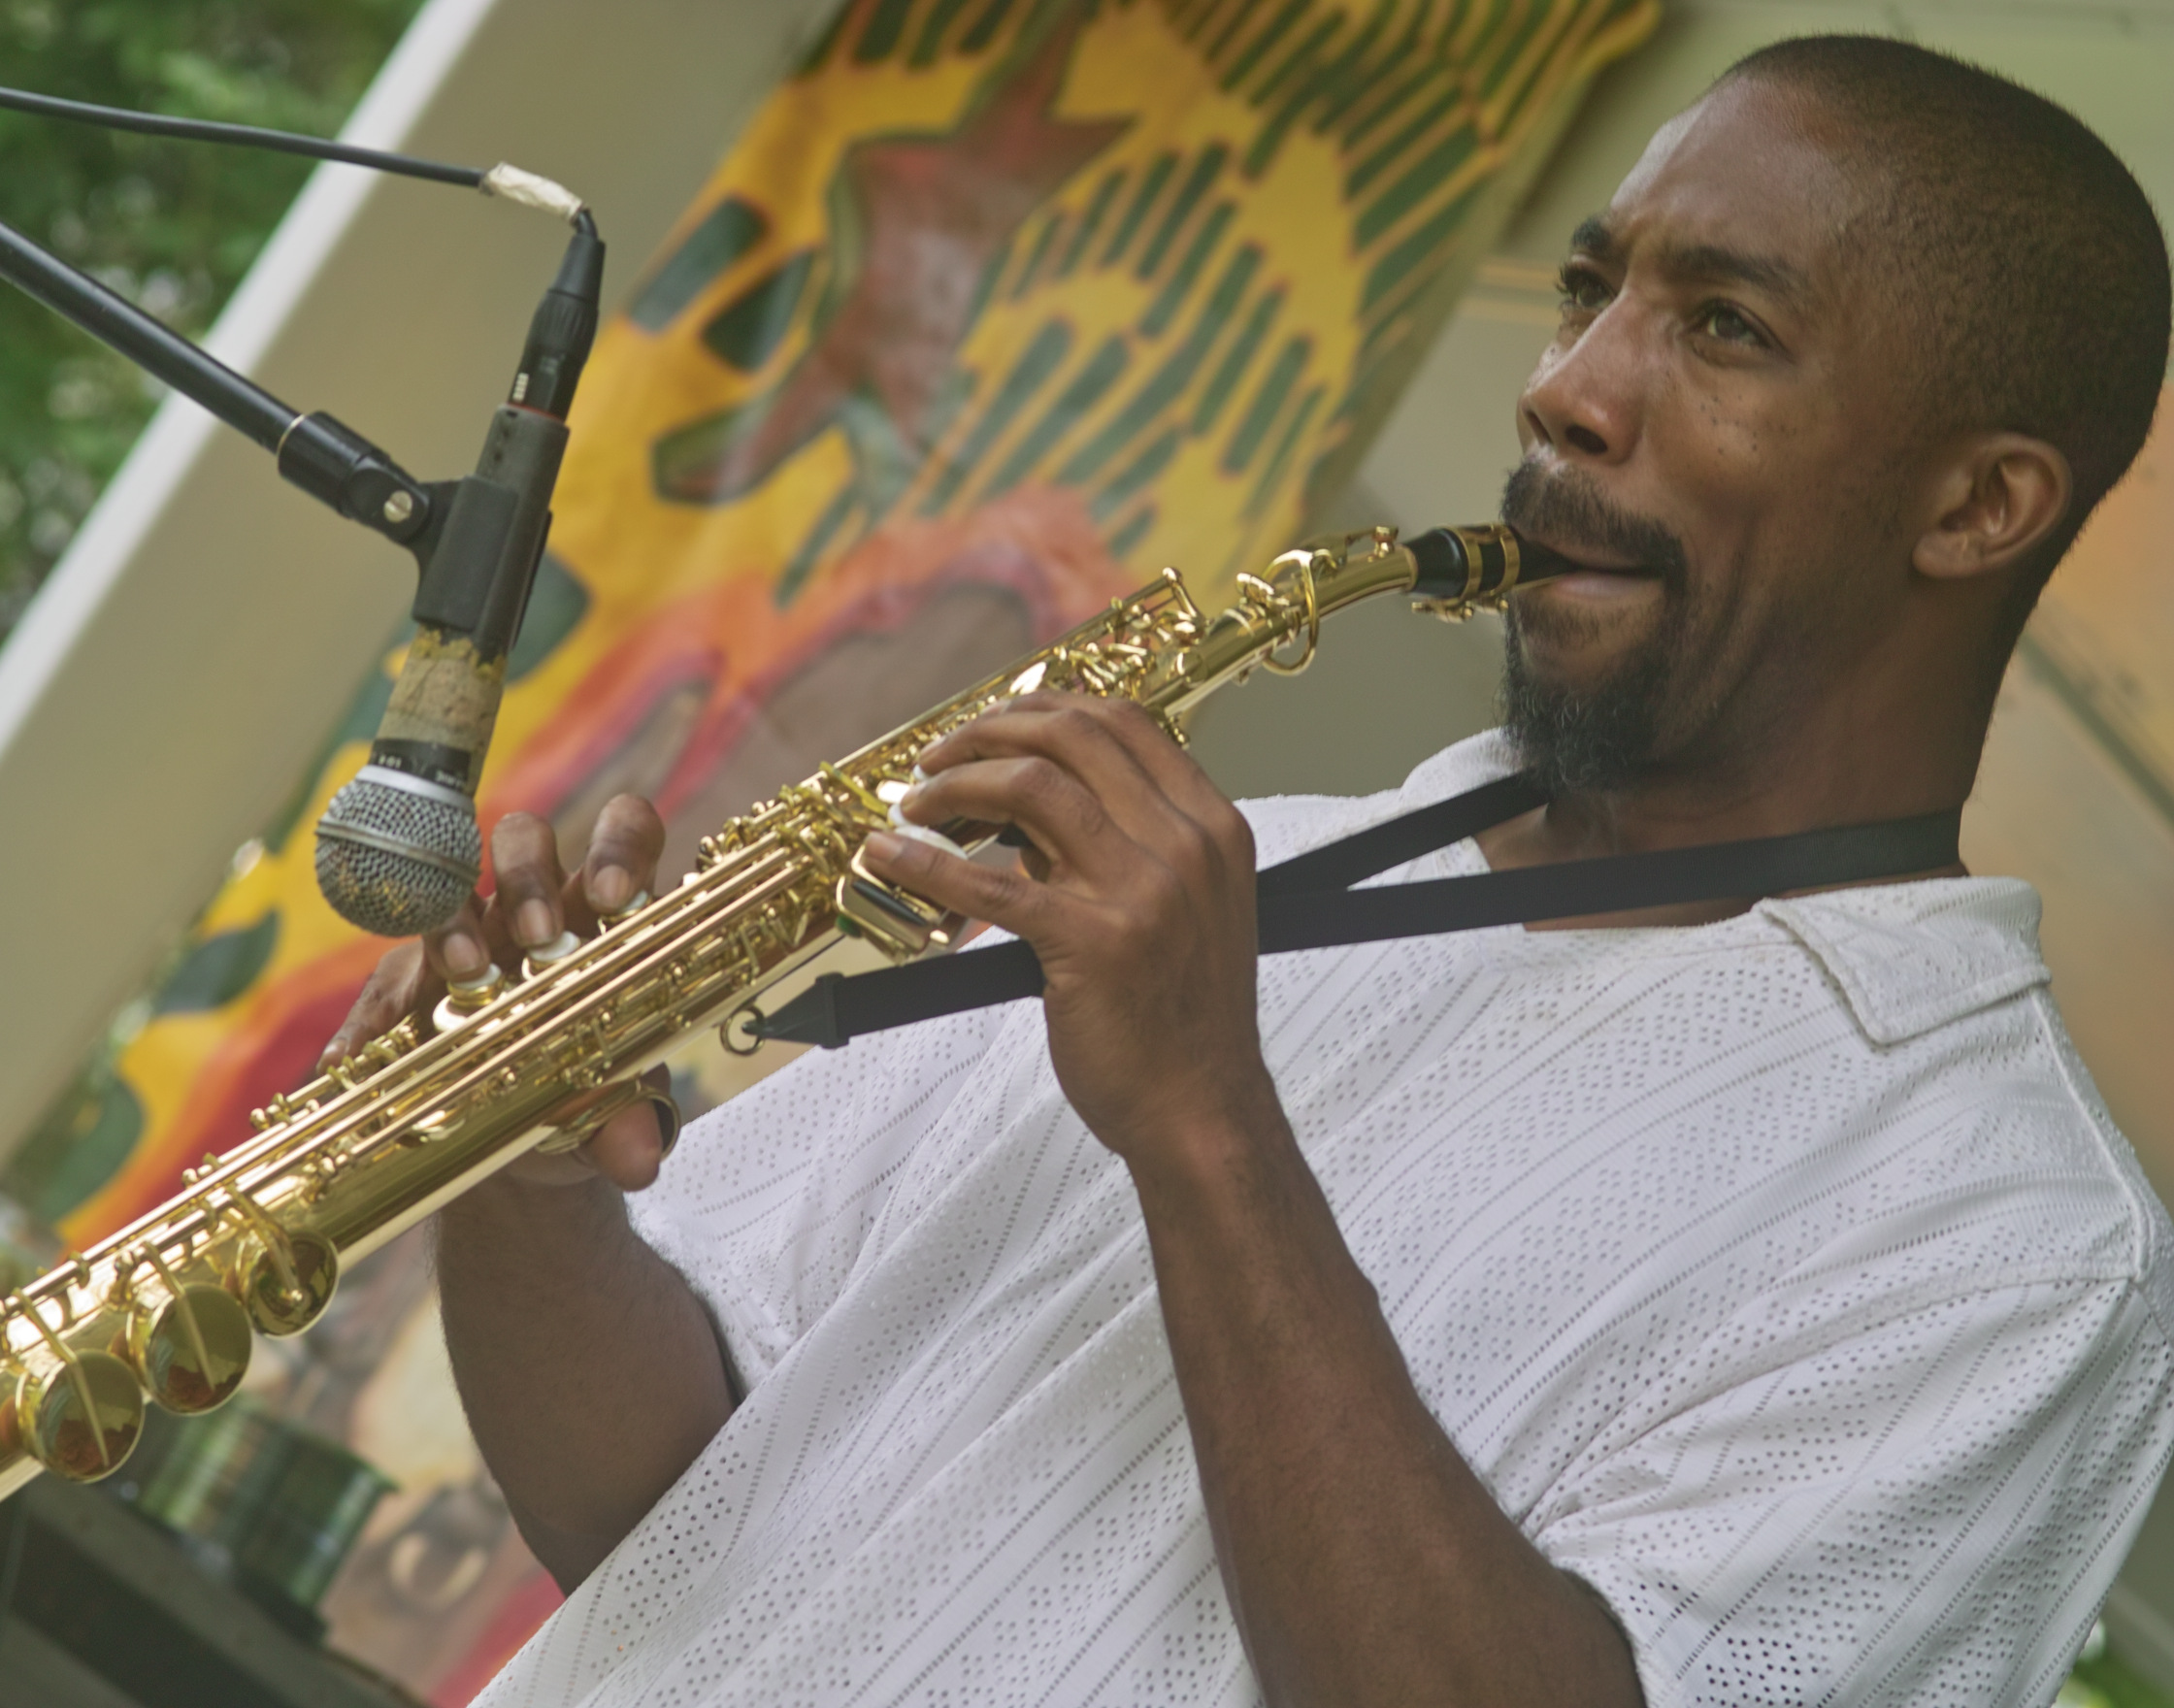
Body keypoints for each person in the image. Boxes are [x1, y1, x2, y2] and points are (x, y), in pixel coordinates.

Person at [323, 35, 2174, 1706]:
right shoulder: (1243, 878)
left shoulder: (2013, 1237)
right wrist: (528, 1177)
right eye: (1588, 291)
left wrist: (1208, 1124)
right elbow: (660, 1511)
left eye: (1726, 329)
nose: (1569, 392)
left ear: (1976, 507)